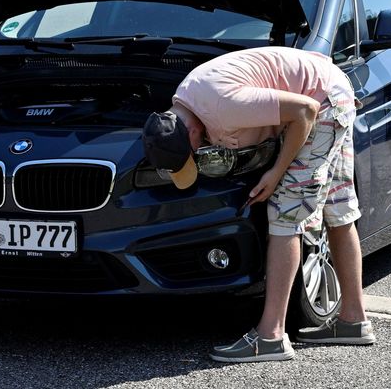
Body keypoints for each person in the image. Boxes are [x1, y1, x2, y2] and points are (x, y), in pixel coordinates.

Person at [141, 46, 374, 363]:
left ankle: (271, 337)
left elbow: (304, 111)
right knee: (338, 208)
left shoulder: (223, 106)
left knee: (285, 214)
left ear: (192, 131)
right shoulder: (186, 98)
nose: (195, 154)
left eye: (190, 151)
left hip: (323, 105)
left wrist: (277, 172)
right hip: (332, 91)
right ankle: (353, 320)